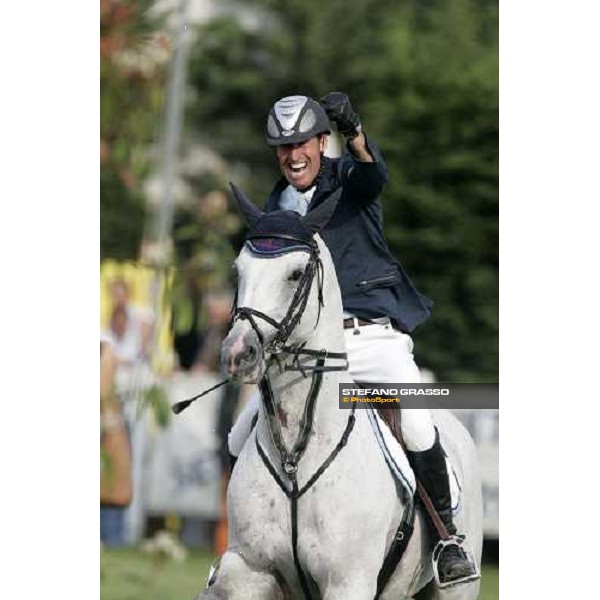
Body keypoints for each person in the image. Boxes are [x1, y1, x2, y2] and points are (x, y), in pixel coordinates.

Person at [227, 93, 478, 586]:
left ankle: (448, 539)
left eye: (301, 142)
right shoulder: (278, 203)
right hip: (305, 355)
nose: (292, 154)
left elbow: (374, 175)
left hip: (369, 342)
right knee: (240, 436)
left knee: (420, 423)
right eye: (282, 146)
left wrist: (356, 131)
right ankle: (247, 546)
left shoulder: (347, 179)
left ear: (323, 142)